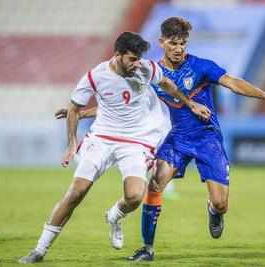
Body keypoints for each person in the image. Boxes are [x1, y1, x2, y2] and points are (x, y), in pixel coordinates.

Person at [19, 31, 211, 264]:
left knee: (134, 197)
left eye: (139, 58)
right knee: (76, 193)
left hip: (135, 141)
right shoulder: (95, 77)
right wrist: (71, 145)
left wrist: (190, 104)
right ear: (117, 55)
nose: (136, 64)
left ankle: (114, 215)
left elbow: (167, 83)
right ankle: (39, 250)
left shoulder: (146, 68)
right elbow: (73, 110)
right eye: (131, 58)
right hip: (102, 139)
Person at [128, 17, 265, 261]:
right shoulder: (153, 73)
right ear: (161, 42)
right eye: (173, 43)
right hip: (177, 138)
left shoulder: (200, 66)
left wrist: (264, 95)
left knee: (221, 204)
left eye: (183, 43)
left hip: (207, 139)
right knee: (155, 184)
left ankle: (214, 210)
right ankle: (147, 248)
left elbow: (232, 82)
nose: (178, 48)